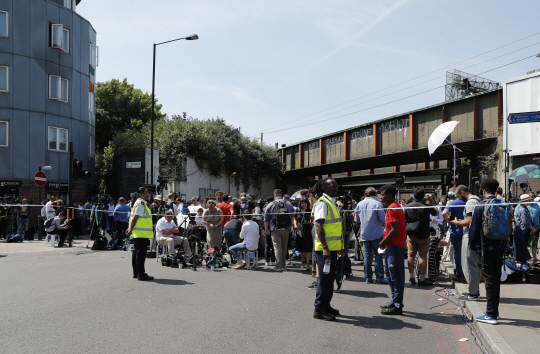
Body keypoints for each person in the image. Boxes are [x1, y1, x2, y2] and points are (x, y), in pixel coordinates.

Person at [469, 178, 510, 324]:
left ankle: (491, 315)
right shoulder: (502, 204)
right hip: (500, 247)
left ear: (483, 190)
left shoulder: (481, 205)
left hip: (485, 248)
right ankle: (494, 311)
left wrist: (472, 246)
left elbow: (473, 229)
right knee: (495, 280)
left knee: (489, 281)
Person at [311, 178, 342, 321]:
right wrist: (325, 248)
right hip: (325, 249)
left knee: (329, 280)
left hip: (332, 248)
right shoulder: (323, 203)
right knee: (324, 280)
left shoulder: (331, 202)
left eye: (336, 185)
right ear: (324, 188)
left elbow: (335, 227)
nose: (336, 187)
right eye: (332, 185)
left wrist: (339, 247)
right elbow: (319, 226)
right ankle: (319, 309)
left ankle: (326, 305)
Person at [379, 184, 407, 315]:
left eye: (383, 194)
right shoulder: (396, 206)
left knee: (395, 276)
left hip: (394, 245)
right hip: (395, 245)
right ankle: (394, 301)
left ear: (389, 195)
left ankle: (397, 305)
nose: (381, 196)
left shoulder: (392, 208)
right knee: (391, 275)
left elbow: (394, 229)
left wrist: (383, 242)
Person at [449, 185, 481, 301]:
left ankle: (473, 293)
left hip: (470, 236)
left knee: (469, 264)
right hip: (473, 235)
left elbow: (469, 222)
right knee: (471, 264)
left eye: (458, 196)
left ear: (462, 192)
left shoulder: (470, 202)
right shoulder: (477, 200)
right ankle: (473, 291)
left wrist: (456, 222)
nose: (458, 199)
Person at [404, 187, 438, 286]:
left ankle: (411, 277)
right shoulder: (426, 206)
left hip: (411, 234)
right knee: (422, 256)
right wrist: (431, 200)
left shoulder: (408, 206)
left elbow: (404, 219)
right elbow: (436, 212)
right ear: (423, 196)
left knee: (410, 255)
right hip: (424, 235)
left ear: (414, 196)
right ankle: (422, 279)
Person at [355, 187, 387, 284]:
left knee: (367, 256)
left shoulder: (359, 204)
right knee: (378, 255)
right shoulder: (377, 204)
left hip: (364, 233)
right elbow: (383, 219)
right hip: (376, 233)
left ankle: (368, 277)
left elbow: (357, 219)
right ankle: (379, 276)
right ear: (375, 194)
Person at [126, 187, 154, 281]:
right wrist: (130, 230)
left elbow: (131, 217)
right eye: (145, 193)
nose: (147, 194)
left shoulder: (138, 203)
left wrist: (130, 229)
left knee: (136, 252)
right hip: (141, 233)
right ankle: (141, 274)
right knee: (140, 254)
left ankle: (136, 272)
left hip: (139, 233)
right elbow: (134, 218)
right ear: (140, 194)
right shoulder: (141, 204)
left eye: (147, 192)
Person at [264, 189, 295, 272]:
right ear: (281, 195)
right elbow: (292, 216)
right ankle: (284, 265)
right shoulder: (288, 203)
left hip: (275, 228)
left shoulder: (270, 204)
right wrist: (290, 226)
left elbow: (266, 218)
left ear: (274, 195)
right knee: (285, 247)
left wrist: (266, 228)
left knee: (277, 247)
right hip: (286, 228)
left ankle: (279, 265)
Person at [442, 190, 466, 281]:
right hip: (467, 231)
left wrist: (448, 221)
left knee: (458, 254)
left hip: (456, 231)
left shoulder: (453, 203)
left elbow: (444, 213)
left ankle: (460, 274)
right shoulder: (468, 202)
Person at [514, 192, 539, 262]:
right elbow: (525, 222)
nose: (530, 201)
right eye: (528, 200)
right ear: (525, 201)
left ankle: (522, 261)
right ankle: (521, 262)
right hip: (523, 231)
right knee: (522, 246)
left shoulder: (525, 208)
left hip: (524, 230)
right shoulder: (523, 210)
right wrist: (532, 228)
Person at [293, 199, 313, 270]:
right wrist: (295, 225)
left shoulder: (310, 211)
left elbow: (313, 221)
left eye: (305, 203)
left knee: (307, 248)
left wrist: (309, 222)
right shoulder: (298, 210)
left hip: (307, 230)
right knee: (301, 248)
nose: (303, 204)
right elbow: (295, 219)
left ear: (307, 204)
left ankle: (308, 263)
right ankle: (302, 261)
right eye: (302, 203)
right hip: (299, 230)